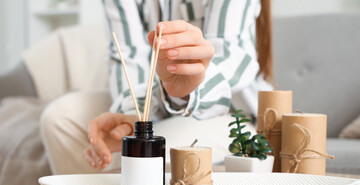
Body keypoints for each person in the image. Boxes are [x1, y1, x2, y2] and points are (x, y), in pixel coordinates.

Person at [40, 0, 273, 174]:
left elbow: (230, 58)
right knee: (58, 119)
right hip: (150, 98)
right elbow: (127, 57)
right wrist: (132, 114)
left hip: (229, 110)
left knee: (154, 149)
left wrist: (181, 90)